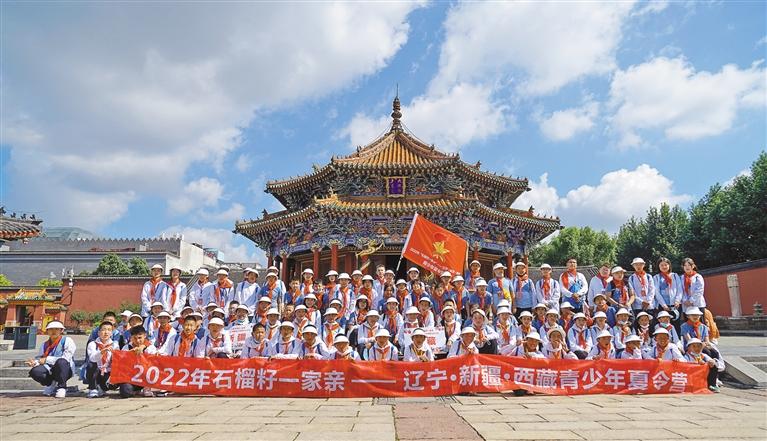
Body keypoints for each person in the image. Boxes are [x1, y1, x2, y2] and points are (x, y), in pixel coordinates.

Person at [26, 320, 76, 398]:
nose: (54, 331)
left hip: (65, 369)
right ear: (47, 331)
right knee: (35, 371)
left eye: (57, 329)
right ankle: (50, 383)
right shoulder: (44, 345)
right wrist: (35, 362)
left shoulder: (67, 341)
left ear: (61, 330)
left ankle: (62, 387)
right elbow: (41, 358)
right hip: (49, 369)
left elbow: (66, 358)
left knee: (61, 362)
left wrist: (47, 359)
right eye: (51, 329)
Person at [118, 325, 158, 398]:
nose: (137, 341)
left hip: (146, 376)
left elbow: (155, 363)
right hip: (132, 377)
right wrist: (130, 354)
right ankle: (135, 390)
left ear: (145, 336)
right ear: (131, 337)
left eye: (140, 338)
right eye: (135, 338)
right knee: (125, 392)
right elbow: (121, 363)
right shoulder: (126, 347)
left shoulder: (150, 348)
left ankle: (147, 388)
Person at [85, 321, 119, 398]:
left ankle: (101, 388)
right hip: (96, 370)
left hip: (107, 371)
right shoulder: (93, 344)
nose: (106, 332)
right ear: (98, 332)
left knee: (114, 384)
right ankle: (93, 388)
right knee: (91, 365)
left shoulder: (114, 345)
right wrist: (101, 352)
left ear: (111, 333)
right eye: (103, 330)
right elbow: (92, 358)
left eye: (109, 330)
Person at [654, 257, 683, 328]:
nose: (664, 267)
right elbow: (656, 292)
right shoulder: (656, 277)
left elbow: (679, 289)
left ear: (669, 265)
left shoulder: (675, 275)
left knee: (676, 325)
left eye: (666, 265)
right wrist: (663, 305)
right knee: (664, 326)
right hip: (663, 306)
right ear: (658, 266)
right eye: (661, 265)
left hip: (675, 305)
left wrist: (677, 300)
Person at [681, 258, 707, 324]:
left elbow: (699, 290)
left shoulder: (698, 277)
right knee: (688, 324)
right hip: (686, 304)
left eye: (689, 265)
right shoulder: (681, 278)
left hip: (697, 303)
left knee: (700, 323)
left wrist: (691, 301)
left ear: (693, 266)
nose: (687, 267)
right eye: (685, 265)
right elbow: (680, 290)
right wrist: (684, 300)